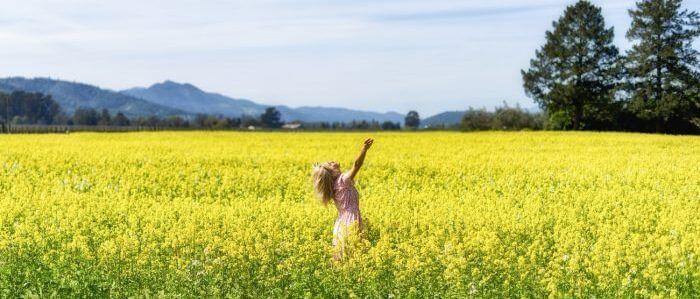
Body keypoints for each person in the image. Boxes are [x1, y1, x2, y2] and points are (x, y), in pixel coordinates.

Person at [312, 138, 374, 260]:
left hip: (342, 223)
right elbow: (357, 165)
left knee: (345, 257)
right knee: (355, 256)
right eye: (330, 164)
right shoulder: (343, 181)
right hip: (351, 221)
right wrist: (364, 149)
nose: (332, 161)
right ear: (332, 172)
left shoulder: (334, 186)